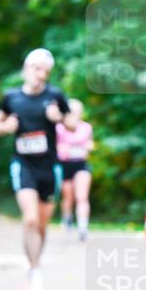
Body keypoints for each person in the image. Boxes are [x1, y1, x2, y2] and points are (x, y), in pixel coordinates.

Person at [0, 48, 73, 290]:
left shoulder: (55, 96)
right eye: (37, 69)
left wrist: (57, 117)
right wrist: (6, 127)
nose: (41, 75)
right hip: (23, 164)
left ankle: (34, 262)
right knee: (29, 219)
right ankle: (35, 272)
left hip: (49, 167)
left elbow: (72, 123)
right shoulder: (11, 97)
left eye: (46, 72)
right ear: (27, 69)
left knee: (41, 225)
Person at [57, 99, 94, 242]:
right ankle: (67, 219)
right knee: (68, 198)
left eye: (77, 111)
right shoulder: (58, 128)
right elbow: (56, 148)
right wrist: (64, 150)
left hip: (81, 164)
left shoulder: (86, 127)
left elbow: (89, 144)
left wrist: (88, 147)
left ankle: (83, 227)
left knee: (82, 196)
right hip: (64, 165)